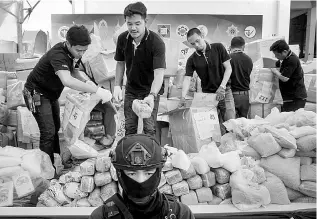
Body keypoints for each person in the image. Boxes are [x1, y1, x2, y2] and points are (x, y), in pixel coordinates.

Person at [24, 25, 112, 167]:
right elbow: (67, 80)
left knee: (55, 128)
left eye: (84, 50)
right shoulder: (58, 54)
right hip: (36, 93)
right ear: (68, 43)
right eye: (79, 50)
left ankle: (57, 163)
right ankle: (47, 171)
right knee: (48, 132)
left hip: (51, 94)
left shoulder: (73, 53)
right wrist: (96, 90)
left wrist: (87, 82)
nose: (81, 54)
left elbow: (74, 71)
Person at [89, 134, 195, 219]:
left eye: (148, 173)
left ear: (159, 172)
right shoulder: (101, 216)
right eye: (131, 173)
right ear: (119, 174)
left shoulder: (180, 214)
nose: (140, 181)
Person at [113, 2, 166, 138]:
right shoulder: (122, 39)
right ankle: (130, 157)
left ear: (145, 21)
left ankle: (152, 158)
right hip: (131, 89)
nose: (133, 28)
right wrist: (117, 86)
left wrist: (152, 95)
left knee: (149, 128)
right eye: (129, 24)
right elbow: (120, 63)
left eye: (137, 23)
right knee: (130, 127)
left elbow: (159, 73)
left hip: (150, 90)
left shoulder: (156, 42)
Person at [178, 28, 235, 132]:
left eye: (197, 41)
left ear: (202, 36)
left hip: (225, 92)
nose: (196, 45)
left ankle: (232, 147)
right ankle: (217, 147)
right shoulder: (192, 59)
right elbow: (187, 78)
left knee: (231, 124)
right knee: (212, 127)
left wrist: (222, 87)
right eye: (192, 44)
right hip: (208, 96)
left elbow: (229, 68)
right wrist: (182, 97)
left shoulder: (218, 48)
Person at [269, 39, 307, 112]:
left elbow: (285, 78)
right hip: (288, 97)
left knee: (291, 120)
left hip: (295, 98)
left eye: (277, 54)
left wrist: (275, 71)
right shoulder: (285, 59)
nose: (276, 56)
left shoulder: (292, 59)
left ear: (285, 52)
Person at [229, 36, 253, 118]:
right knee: (243, 122)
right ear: (243, 46)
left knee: (231, 123)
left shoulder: (227, 59)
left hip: (231, 95)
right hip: (245, 95)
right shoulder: (249, 59)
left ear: (231, 46)